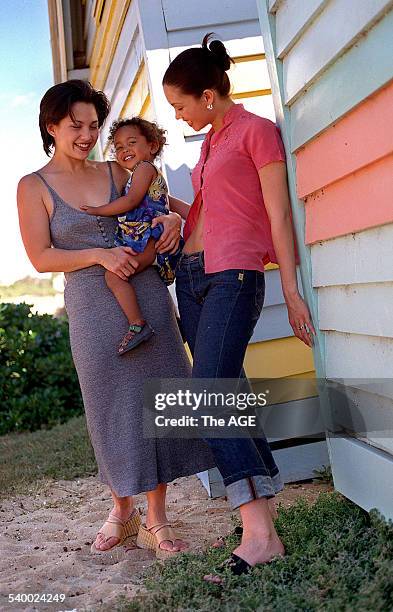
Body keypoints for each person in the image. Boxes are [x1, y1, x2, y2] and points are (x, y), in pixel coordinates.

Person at [17, 79, 215, 557]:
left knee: (157, 402)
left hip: (145, 296)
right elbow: (41, 257)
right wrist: (100, 255)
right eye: (75, 125)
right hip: (91, 308)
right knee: (110, 409)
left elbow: (166, 206)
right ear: (52, 127)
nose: (87, 134)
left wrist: (169, 221)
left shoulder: (118, 170)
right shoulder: (33, 186)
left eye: (93, 125)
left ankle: (157, 520)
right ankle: (121, 511)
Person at [163, 35, 316, 575]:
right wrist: (172, 215)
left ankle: (257, 534)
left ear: (208, 94)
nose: (177, 116)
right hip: (192, 274)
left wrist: (293, 292)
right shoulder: (209, 144)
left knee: (208, 390)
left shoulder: (257, 133)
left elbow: (277, 216)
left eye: (180, 105)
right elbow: (217, 207)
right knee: (224, 389)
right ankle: (262, 522)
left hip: (234, 275)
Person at [81, 117, 182, 355]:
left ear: (152, 146)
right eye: (119, 147)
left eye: (131, 142)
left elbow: (130, 201)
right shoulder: (139, 174)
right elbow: (173, 204)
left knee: (114, 276)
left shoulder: (144, 169)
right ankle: (178, 322)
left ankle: (138, 324)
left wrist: (97, 210)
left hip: (147, 238)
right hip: (147, 237)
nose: (124, 150)